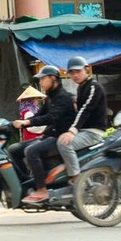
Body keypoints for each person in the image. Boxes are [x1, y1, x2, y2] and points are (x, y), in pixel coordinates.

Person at [12, 64, 74, 205]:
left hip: (59, 137)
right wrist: (17, 123)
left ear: (53, 78)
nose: (40, 82)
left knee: (31, 151)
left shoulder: (63, 97)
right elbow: (40, 115)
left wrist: (27, 122)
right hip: (48, 136)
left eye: (42, 79)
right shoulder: (50, 97)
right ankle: (27, 184)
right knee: (14, 149)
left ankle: (41, 190)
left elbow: (51, 117)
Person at [58, 57, 109, 177]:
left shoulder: (93, 87)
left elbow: (85, 110)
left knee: (64, 143)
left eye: (78, 71)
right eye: (72, 73)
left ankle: (75, 177)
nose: (75, 75)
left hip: (94, 133)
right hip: (84, 131)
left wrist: (72, 131)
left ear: (87, 70)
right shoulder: (81, 88)